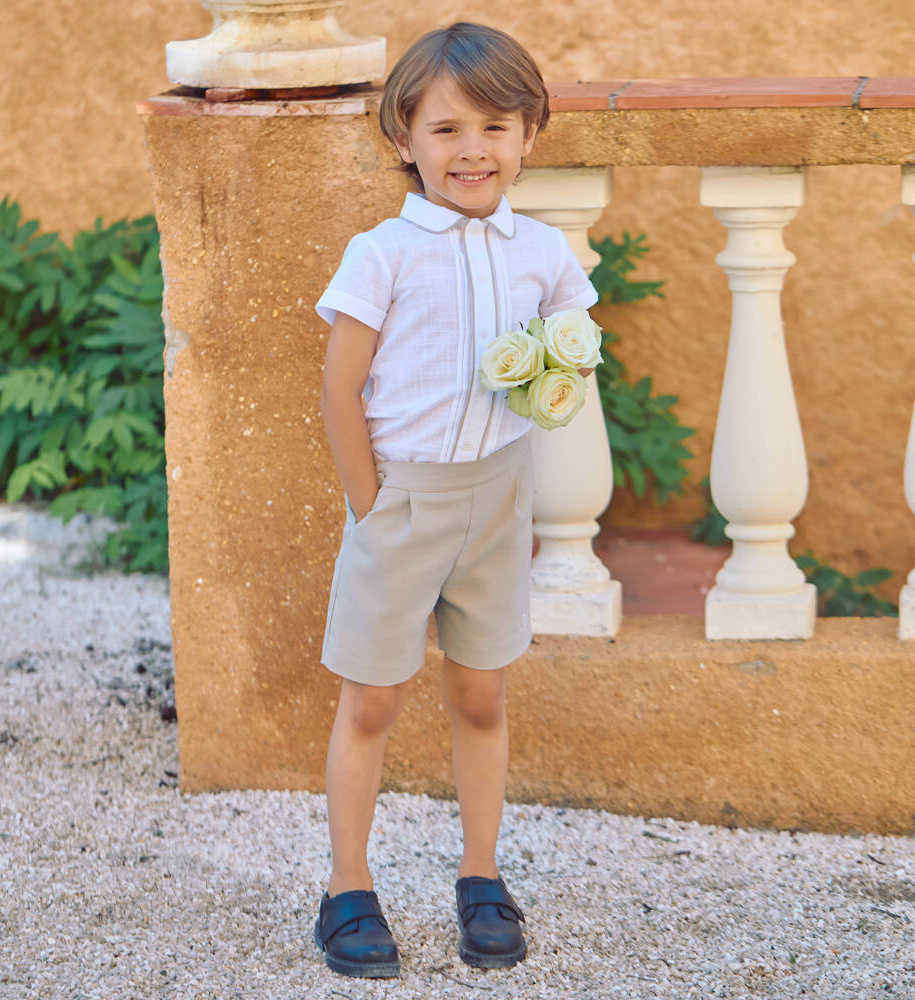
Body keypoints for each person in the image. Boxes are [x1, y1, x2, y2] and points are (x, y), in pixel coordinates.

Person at [312, 21, 598, 979]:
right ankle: (347, 888)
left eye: (494, 126)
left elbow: (572, 345)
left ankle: (482, 876)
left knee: (480, 694)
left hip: (496, 500)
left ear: (530, 134)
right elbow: (339, 388)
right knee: (372, 703)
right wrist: (370, 505)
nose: (471, 149)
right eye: (444, 129)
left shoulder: (544, 252)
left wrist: (558, 369)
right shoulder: (384, 253)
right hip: (404, 502)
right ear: (403, 139)